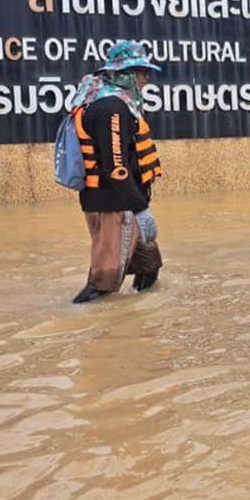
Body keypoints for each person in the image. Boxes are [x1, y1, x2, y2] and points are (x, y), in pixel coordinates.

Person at [70, 40, 164, 304]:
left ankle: (137, 325)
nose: (147, 79)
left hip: (127, 204)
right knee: (104, 283)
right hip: (114, 205)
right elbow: (116, 167)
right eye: (143, 73)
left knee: (149, 266)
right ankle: (80, 326)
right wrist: (140, 209)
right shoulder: (112, 108)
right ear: (126, 74)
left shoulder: (119, 103)